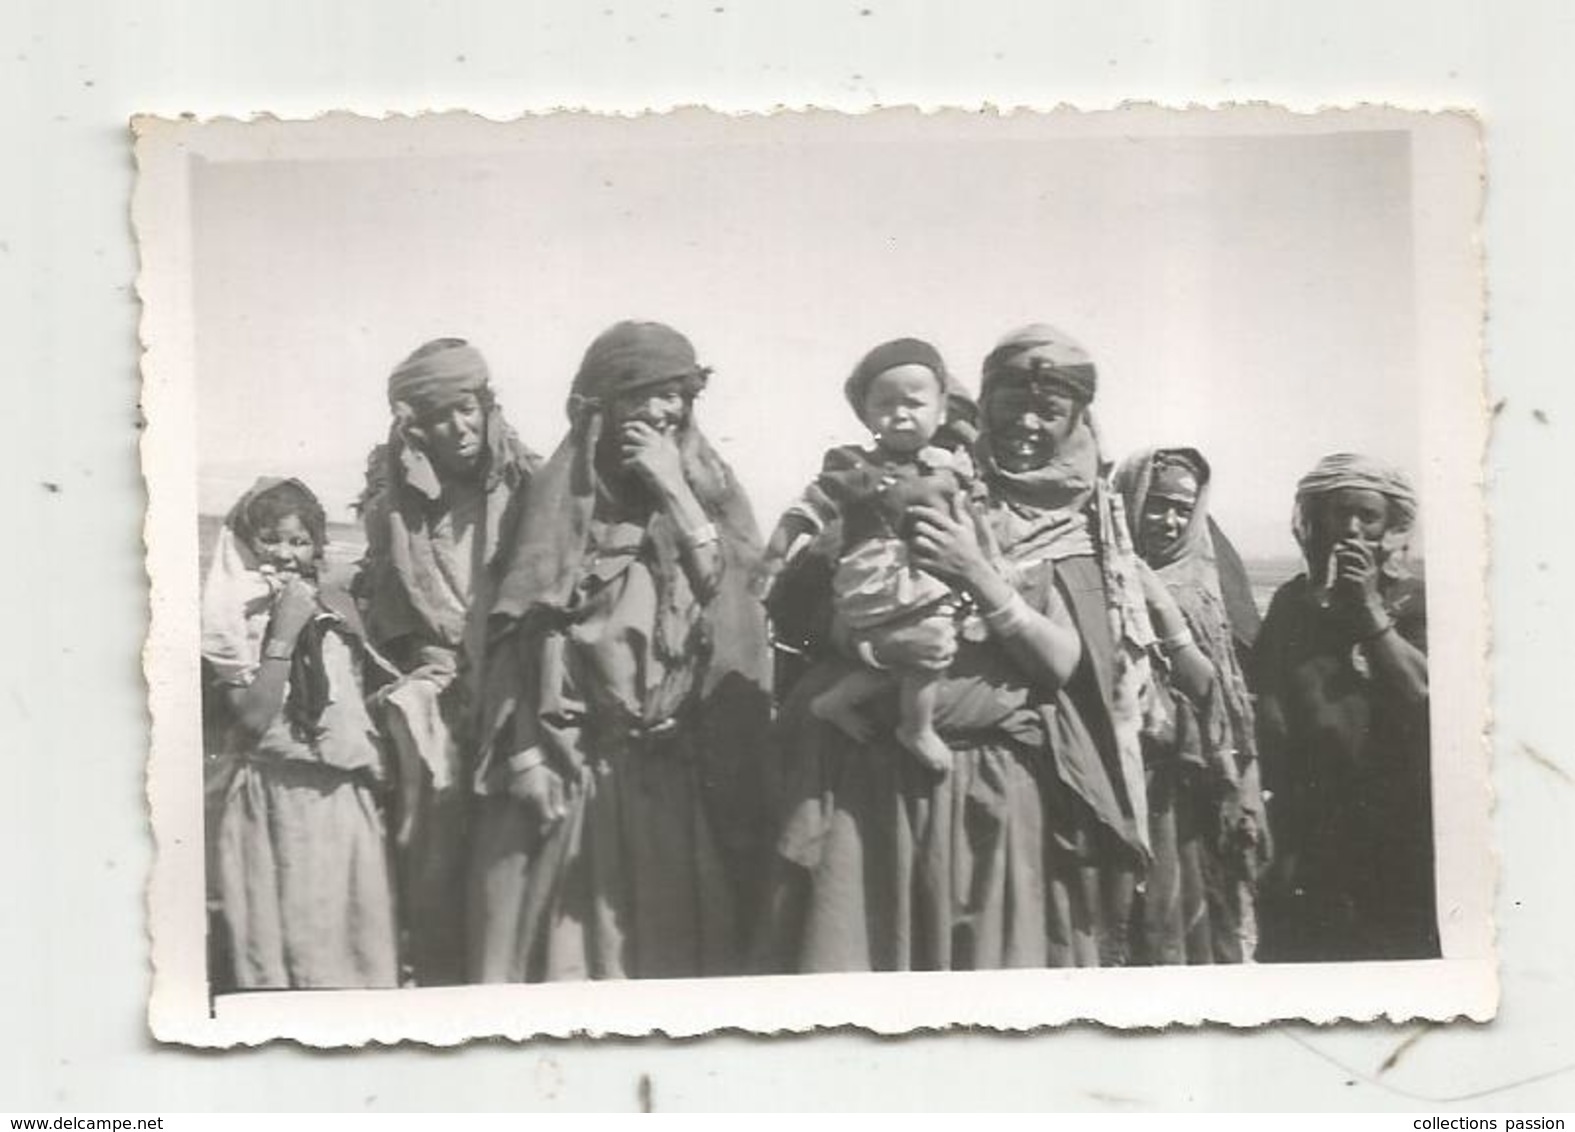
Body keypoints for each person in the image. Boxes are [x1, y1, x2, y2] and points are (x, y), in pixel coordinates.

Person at [764, 324, 1178, 971]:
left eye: (1049, 411)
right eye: (1012, 405)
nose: (1027, 424)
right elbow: (812, 613)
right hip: (872, 781)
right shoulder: (914, 481)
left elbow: (1063, 664)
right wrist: (871, 636)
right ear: (981, 406)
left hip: (996, 792)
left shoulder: (1078, 529)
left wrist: (976, 573)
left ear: (1077, 420)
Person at [468, 320, 772, 981]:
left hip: (676, 782)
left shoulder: (710, 497)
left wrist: (675, 493)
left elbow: (736, 611)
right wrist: (521, 754)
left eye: (679, 395)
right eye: (644, 395)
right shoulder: (553, 504)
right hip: (568, 777)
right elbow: (508, 638)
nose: (666, 411)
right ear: (599, 406)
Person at [355, 338, 539, 986]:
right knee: (434, 865)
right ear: (414, 427)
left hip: (524, 700)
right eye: (437, 417)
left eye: (466, 408)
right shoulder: (397, 516)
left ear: (486, 405)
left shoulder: (532, 491)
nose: (457, 428)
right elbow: (388, 619)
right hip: (438, 707)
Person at [201, 477, 399, 989]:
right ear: (246, 542)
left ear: (316, 545)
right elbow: (251, 717)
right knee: (284, 959)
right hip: (276, 798)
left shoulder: (335, 606)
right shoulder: (233, 620)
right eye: (271, 539)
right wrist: (284, 632)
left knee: (349, 951)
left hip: (341, 802)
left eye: (299, 540)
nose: (286, 554)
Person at [762, 338, 979, 775]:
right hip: (878, 575)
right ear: (865, 414)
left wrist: (990, 565)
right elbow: (810, 507)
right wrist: (776, 551)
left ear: (940, 411)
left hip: (925, 572)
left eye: (914, 404)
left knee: (910, 651)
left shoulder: (947, 469)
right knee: (927, 644)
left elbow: (969, 522)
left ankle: (836, 702)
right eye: (884, 406)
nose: (899, 414)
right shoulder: (854, 467)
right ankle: (915, 728)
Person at [1253, 453, 1437, 962]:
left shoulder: (1414, 601)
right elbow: (1269, 706)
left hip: (1394, 828)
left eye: (1368, 517)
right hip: (1305, 829)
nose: (1352, 529)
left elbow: (1425, 696)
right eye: (1339, 514)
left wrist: (1369, 609)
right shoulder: (1293, 603)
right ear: (1316, 521)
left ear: (1391, 527)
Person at [1114, 447, 1269, 964]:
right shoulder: (1101, 568)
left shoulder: (1203, 583)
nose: (1169, 520)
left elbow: (1215, 691)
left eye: (1184, 508)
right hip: (1111, 770)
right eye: (1156, 504)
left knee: (1179, 924)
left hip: (1180, 784)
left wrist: (1160, 606)